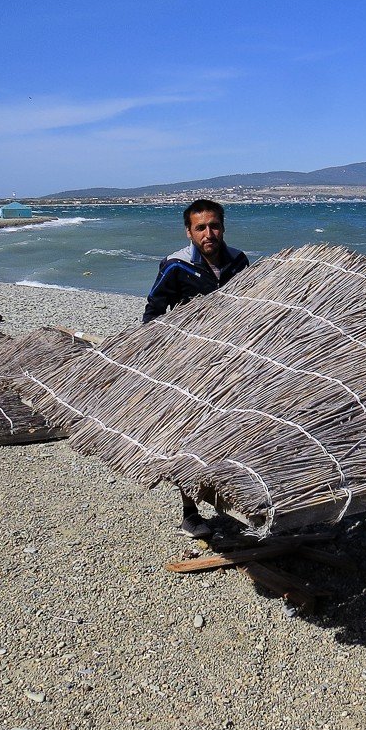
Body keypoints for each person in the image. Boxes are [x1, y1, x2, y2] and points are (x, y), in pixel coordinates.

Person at [143, 199, 250, 538]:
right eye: (201, 227)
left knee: (232, 431)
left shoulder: (239, 262)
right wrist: (158, 357)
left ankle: (231, 496)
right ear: (188, 231)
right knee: (188, 436)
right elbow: (154, 312)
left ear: (223, 227)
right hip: (189, 365)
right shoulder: (175, 266)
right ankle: (190, 511)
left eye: (214, 225)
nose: (209, 233)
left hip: (232, 362)